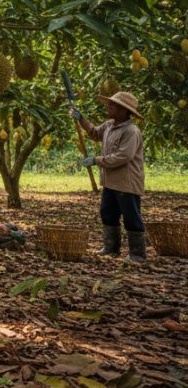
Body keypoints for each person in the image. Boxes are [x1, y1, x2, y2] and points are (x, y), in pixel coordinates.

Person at [73, 91, 146, 263]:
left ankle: (137, 254)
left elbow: (123, 156)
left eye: (112, 105)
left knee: (131, 217)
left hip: (126, 182)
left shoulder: (131, 131)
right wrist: (81, 119)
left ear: (123, 110)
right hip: (110, 182)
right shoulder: (109, 125)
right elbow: (94, 133)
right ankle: (111, 248)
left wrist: (97, 160)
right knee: (107, 213)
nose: (108, 107)